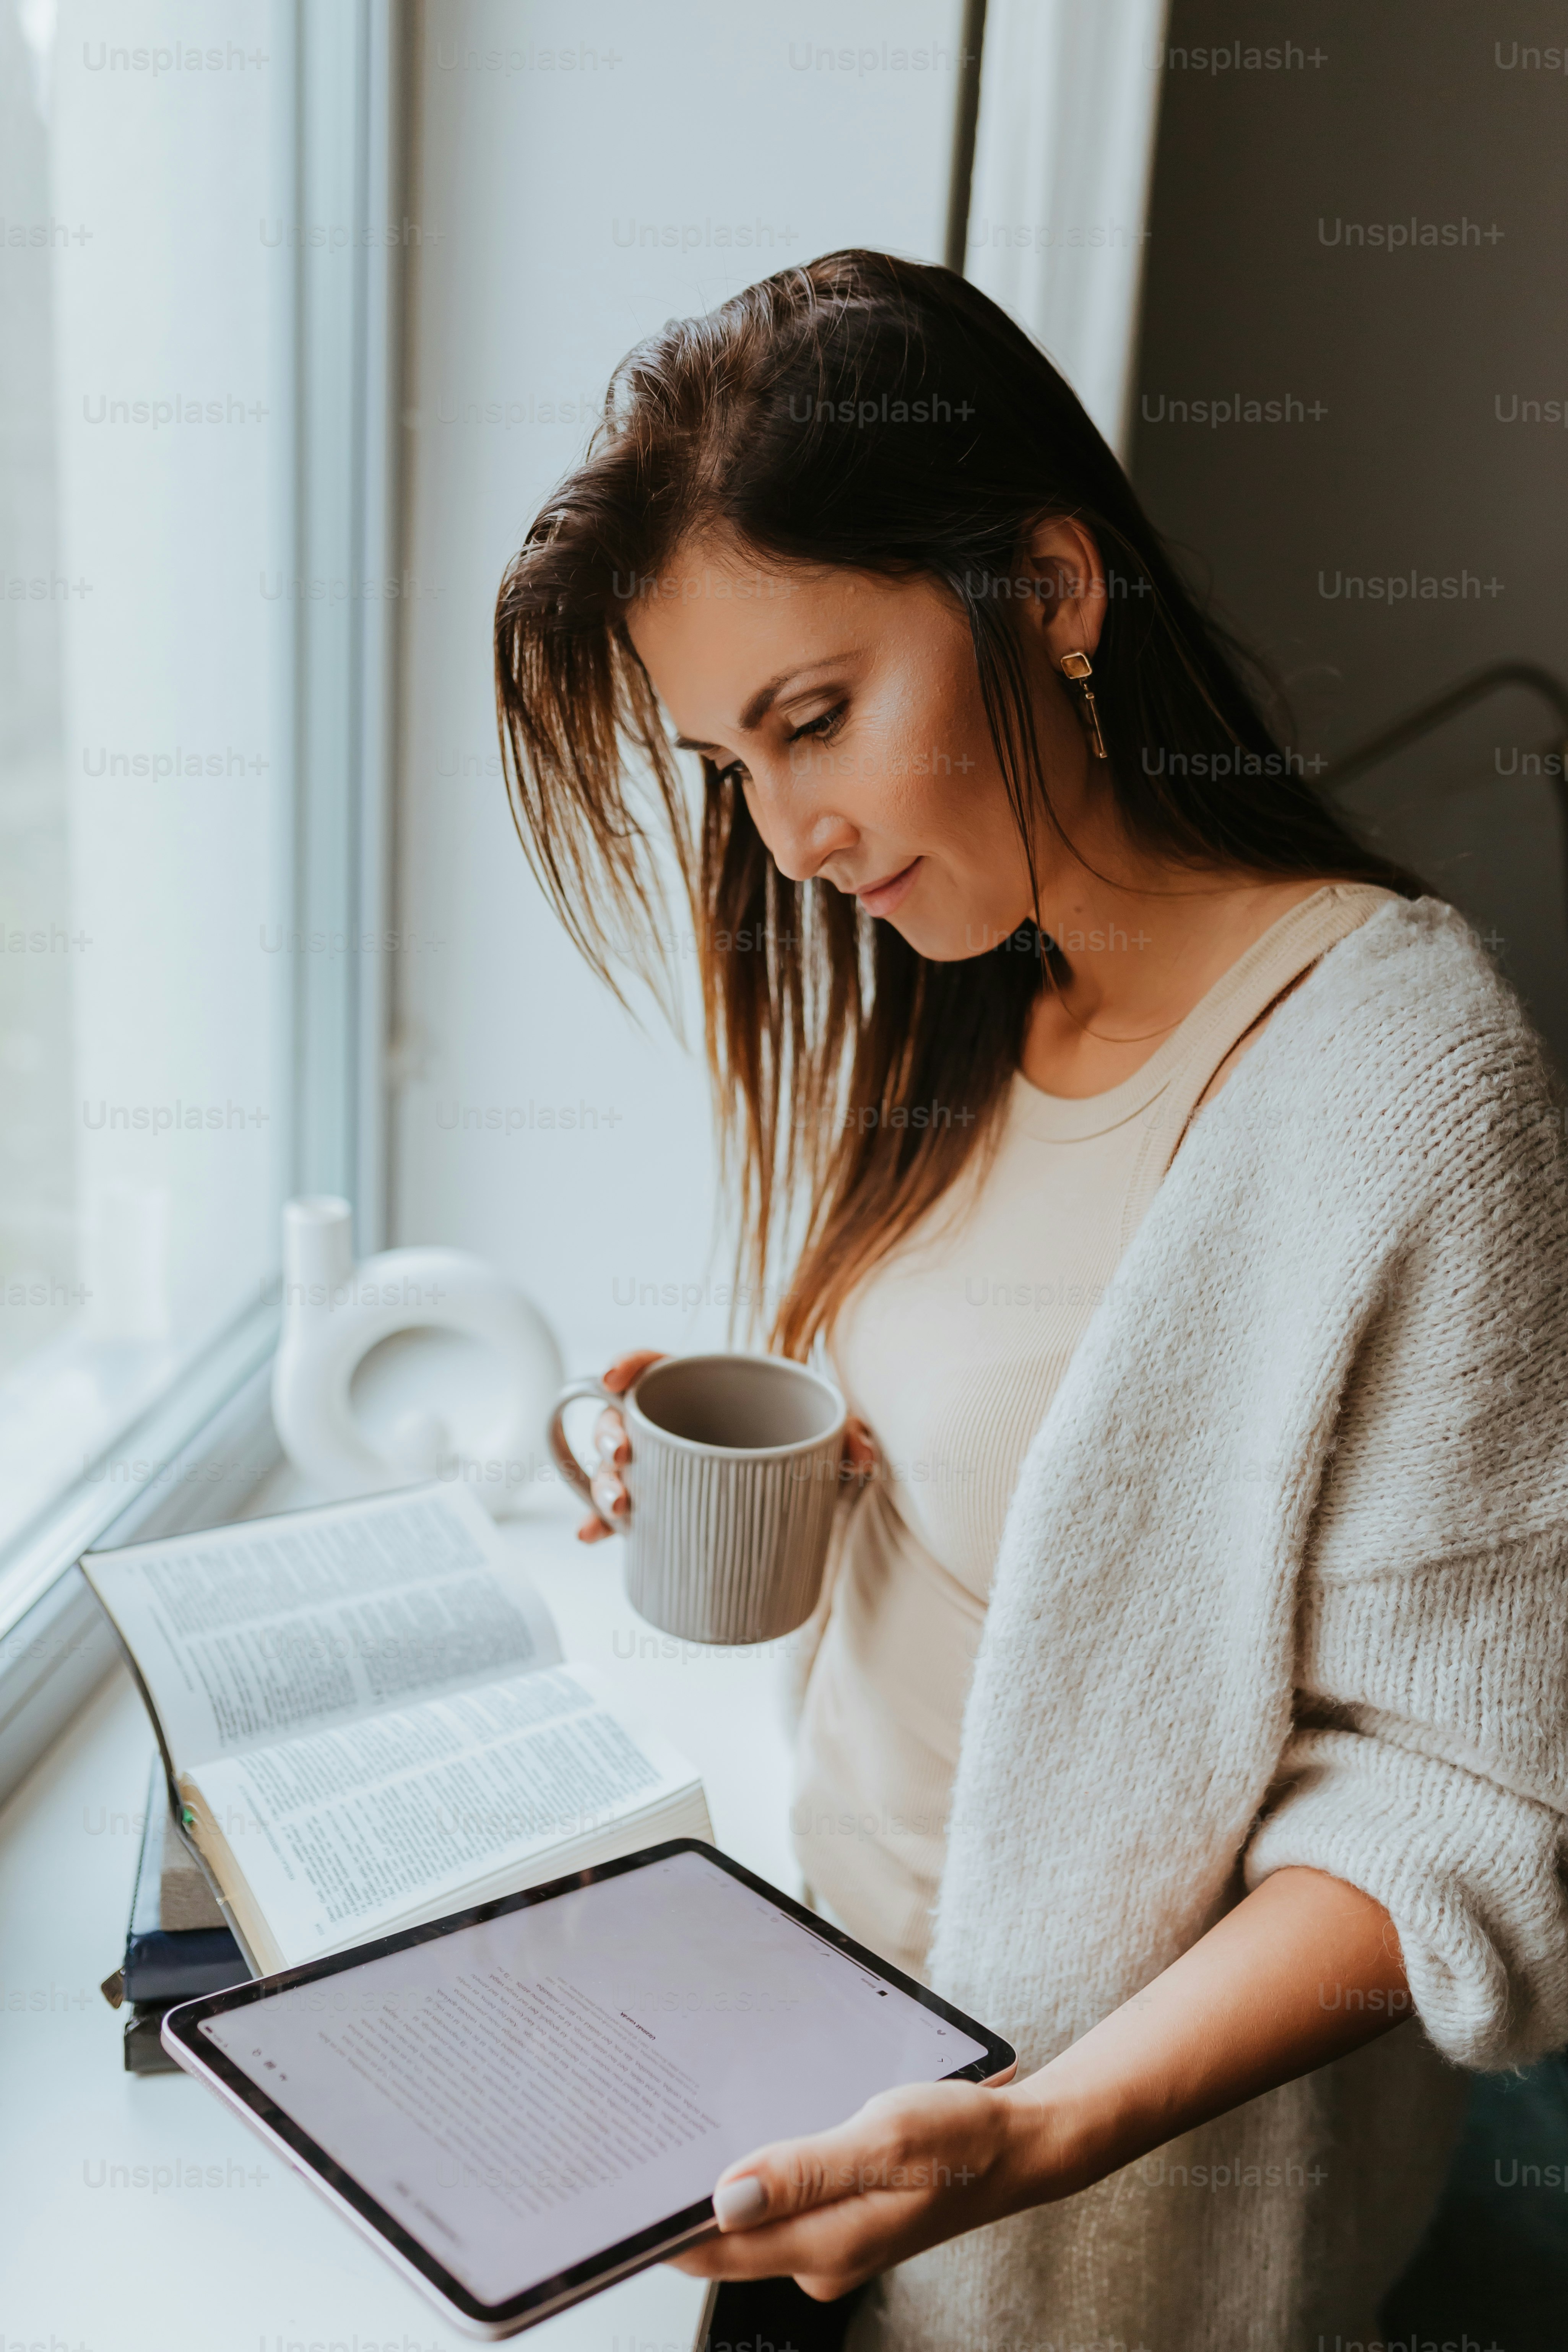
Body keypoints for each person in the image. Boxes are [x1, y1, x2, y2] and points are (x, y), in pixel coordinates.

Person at [492, 251, 1568, 2352]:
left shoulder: (1403, 1083)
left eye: (814, 720)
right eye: (727, 767)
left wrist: (1037, 2134)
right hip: (812, 2066)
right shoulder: (971, 1000)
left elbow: (1471, 1798)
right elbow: (1073, 1517)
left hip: (1079, 2226)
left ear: (1054, 594)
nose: (790, 836)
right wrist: (808, 1454)